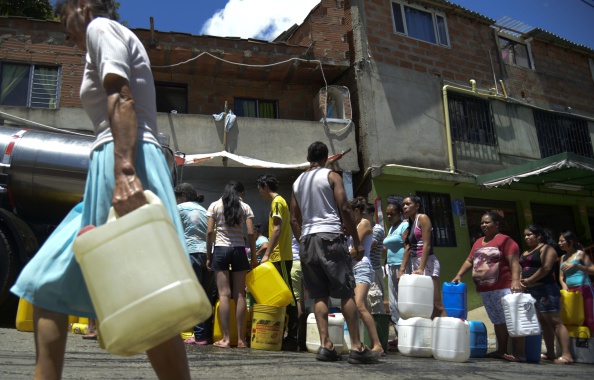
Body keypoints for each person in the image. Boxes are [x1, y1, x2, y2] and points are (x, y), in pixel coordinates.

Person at [10, 1, 193, 378]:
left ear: (83, 5)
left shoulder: (100, 29)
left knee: (148, 300)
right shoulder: (105, 36)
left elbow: (120, 94)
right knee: (46, 284)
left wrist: (125, 170)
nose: (65, 32)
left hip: (125, 159)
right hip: (112, 163)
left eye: (63, 18)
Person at [290, 141, 378, 364]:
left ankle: (325, 345)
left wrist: (303, 240)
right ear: (327, 158)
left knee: (320, 294)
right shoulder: (331, 176)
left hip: (308, 239)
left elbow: (293, 218)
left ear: (309, 157)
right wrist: (356, 241)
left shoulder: (298, 182)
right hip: (329, 235)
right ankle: (357, 347)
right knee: (346, 291)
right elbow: (345, 207)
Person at [451, 211, 522, 360]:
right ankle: (501, 350)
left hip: (503, 287)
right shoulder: (478, 242)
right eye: (482, 222)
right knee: (497, 320)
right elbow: (470, 260)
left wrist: (515, 280)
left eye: (487, 222)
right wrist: (459, 275)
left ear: (496, 224)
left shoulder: (505, 241)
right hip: (486, 289)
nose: (484, 225)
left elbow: (514, 262)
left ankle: (520, 353)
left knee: (511, 320)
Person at [206, 181, 257, 349]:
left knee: (223, 294)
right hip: (238, 250)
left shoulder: (215, 205)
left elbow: (209, 232)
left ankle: (226, 339)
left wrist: (209, 255)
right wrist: (254, 256)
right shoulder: (245, 207)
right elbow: (250, 232)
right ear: (240, 192)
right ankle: (241, 339)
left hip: (220, 249)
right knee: (240, 294)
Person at [513, 225, 573, 364]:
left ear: (539, 235)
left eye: (529, 235)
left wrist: (530, 280)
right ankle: (550, 353)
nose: (526, 237)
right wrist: (523, 282)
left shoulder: (547, 249)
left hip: (545, 289)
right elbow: (521, 268)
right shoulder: (526, 252)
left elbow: (546, 267)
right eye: (525, 235)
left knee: (555, 321)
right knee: (543, 323)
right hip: (530, 291)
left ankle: (566, 355)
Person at [256, 173, 299, 350]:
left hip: (280, 257)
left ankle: (293, 336)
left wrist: (267, 253)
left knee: (288, 296)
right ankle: (282, 333)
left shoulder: (277, 202)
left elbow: (277, 230)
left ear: (266, 186)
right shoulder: (279, 202)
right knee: (281, 296)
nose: (259, 192)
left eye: (259, 188)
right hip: (279, 256)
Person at [175, 183, 215, 345]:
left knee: (193, 295)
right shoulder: (205, 211)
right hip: (208, 255)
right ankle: (205, 334)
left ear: (183, 196)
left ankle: (198, 335)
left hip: (191, 253)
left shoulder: (180, 208)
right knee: (206, 295)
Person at [399, 194, 447, 319]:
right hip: (416, 262)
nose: (405, 206)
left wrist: (421, 268)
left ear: (417, 206)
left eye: (408, 203)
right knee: (425, 305)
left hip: (427, 262)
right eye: (403, 204)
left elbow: (427, 245)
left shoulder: (423, 218)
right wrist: (401, 270)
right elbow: (408, 249)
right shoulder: (410, 225)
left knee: (436, 304)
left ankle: (448, 332)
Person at [348, 197, 384, 356]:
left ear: (356, 211)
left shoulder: (364, 223)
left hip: (362, 267)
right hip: (353, 267)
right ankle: (366, 342)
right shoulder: (354, 225)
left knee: (360, 305)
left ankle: (377, 345)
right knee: (361, 308)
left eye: (349, 213)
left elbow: (356, 249)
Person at [383, 200, 409, 347]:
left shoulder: (404, 226)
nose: (389, 216)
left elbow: (407, 247)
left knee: (404, 302)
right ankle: (399, 336)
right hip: (391, 267)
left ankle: (407, 336)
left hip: (401, 267)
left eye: (392, 214)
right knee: (393, 304)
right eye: (387, 214)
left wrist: (402, 269)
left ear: (400, 214)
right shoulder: (392, 228)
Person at [559, 230, 594, 333]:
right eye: (559, 241)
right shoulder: (562, 257)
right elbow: (561, 277)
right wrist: (564, 287)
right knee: (575, 318)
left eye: (562, 241)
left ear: (571, 242)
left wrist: (576, 265)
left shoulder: (580, 254)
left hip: (585, 288)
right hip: (570, 291)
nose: (559, 243)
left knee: (589, 318)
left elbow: (592, 270)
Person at [365, 203, 386, 314]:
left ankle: (380, 330)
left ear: (371, 214)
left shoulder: (377, 229)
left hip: (374, 270)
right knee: (366, 304)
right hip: (364, 270)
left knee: (376, 302)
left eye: (364, 214)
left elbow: (369, 245)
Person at [291, 234, 308, 351]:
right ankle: (304, 338)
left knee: (297, 301)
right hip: (306, 264)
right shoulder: (307, 224)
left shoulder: (292, 225)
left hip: (295, 263)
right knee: (304, 301)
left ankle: (298, 338)